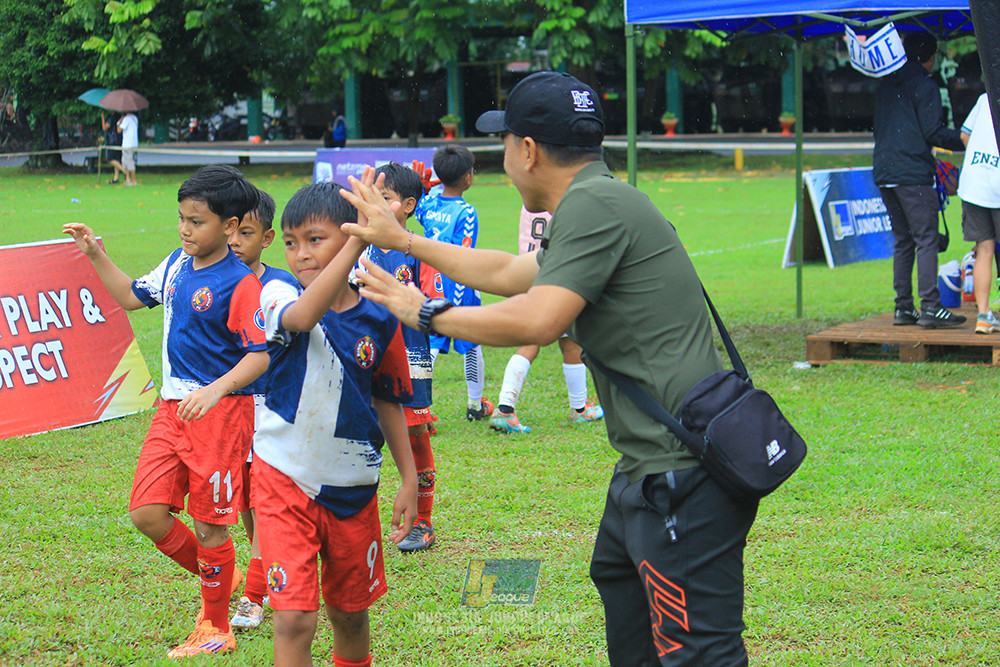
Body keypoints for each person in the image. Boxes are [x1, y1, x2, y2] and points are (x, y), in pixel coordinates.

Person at [342, 71, 758, 666]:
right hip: (651, 469)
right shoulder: (596, 200)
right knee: (620, 584)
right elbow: (511, 272)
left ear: (528, 151)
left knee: (701, 654)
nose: (503, 158)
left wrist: (423, 311)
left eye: (505, 143)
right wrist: (406, 242)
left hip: (682, 476)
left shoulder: (596, 207)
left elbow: (537, 317)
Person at [62, 165, 269, 657]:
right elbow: (133, 296)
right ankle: (224, 576)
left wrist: (216, 391)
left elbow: (260, 354)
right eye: (182, 218)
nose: (185, 229)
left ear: (230, 226)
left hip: (220, 416)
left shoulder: (241, 284)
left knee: (211, 523)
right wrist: (96, 255)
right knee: (146, 513)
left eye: (196, 221)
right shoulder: (177, 263)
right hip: (171, 410)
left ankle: (216, 627)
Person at [253, 178, 418, 667]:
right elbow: (304, 317)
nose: (300, 253)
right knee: (293, 618)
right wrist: (359, 244)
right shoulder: (275, 291)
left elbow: (388, 399)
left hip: (353, 487)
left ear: (347, 237)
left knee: (349, 614)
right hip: (283, 477)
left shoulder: (379, 314)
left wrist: (408, 477)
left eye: (315, 239)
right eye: (290, 242)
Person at [354, 162, 440, 552]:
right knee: (364, 439)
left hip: (410, 358)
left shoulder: (418, 251)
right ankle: (358, 520)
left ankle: (423, 520)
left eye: (384, 198)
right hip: (365, 360)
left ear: (407, 206)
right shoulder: (359, 247)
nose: (375, 204)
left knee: (415, 437)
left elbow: (432, 303)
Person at [226, 188, 296, 630]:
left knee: (267, 502)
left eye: (245, 232)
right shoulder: (212, 280)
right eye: (229, 230)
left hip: (270, 407)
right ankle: (271, 570)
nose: (234, 241)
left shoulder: (282, 285)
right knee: (248, 506)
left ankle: (253, 595)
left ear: (267, 237)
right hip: (229, 411)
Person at [874, 32, 966, 328]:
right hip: (912, 173)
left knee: (903, 241)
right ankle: (930, 306)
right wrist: (965, 139)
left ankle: (903, 308)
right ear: (930, 57)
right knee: (926, 239)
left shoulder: (886, 84)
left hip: (885, 171)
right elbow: (933, 132)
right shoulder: (925, 84)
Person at [490, 207, 603, 434]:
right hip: (556, 277)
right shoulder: (563, 202)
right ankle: (576, 410)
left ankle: (507, 407)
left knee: (549, 341)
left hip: (528, 274)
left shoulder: (529, 201)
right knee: (564, 342)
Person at [414, 145, 493, 421]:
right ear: (468, 177)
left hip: (429, 280)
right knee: (471, 344)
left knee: (430, 343)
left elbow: (421, 212)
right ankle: (474, 405)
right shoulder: (467, 211)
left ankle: (416, 406)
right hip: (457, 282)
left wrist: (425, 189)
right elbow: (464, 253)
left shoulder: (430, 202)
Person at [957, 92, 1000, 334]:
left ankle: (983, 315)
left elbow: (965, 135)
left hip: (974, 183)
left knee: (984, 250)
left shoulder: (986, 97)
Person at [100, 111, 126, 185]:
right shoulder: (120, 117)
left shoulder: (111, 118)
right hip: (119, 140)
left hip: (113, 141)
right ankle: (116, 178)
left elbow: (104, 127)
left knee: (110, 159)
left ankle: (124, 171)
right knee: (116, 160)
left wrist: (102, 117)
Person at [118, 111, 139, 186]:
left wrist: (119, 121)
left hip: (128, 144)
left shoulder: (126, 119)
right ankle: (127, 179)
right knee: (125, 161)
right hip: (134, 143)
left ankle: (134, 181)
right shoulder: (135, 118)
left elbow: (119, 130)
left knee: (129, 162)